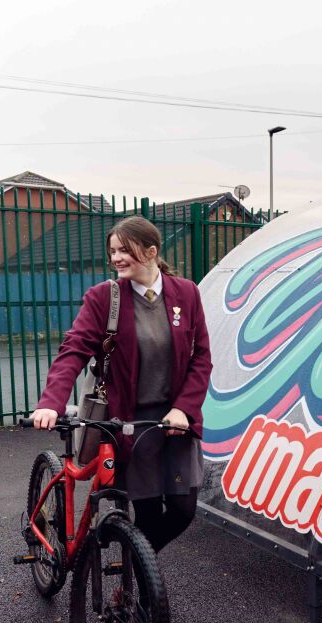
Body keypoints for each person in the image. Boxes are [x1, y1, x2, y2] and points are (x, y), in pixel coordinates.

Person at [31, 216, 212, 562]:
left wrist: (184, 408)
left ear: (151, 252)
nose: (116, 258)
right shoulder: (104, 298)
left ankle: (136, 564)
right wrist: (51, 403)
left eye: (124, 251)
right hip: (128, 421)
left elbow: (201, 357)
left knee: (182, 509)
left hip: (174, 421)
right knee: (144, 515)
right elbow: (74, 350)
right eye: (112, 251)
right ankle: (143, 593)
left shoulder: (186, 293)